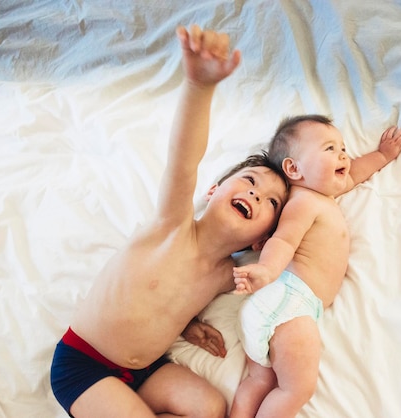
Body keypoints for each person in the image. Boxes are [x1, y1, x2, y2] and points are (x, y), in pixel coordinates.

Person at [50, 25, 289, 418]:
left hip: (144, 369)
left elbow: (170, 297)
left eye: (270, 203)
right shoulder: (173, 225)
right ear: (212, 191)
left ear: (263, 238)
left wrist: (187, 326)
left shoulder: (229, 274)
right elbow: (183, 160)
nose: (254, 195)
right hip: (84, 363)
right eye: (249, 182)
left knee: (210, 406)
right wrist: (200, 86)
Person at [230, 115, 401, 418]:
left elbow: (354, 175)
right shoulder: (302, 203)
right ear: (294, 168)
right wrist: (266, 270)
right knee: (296, 389)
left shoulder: (321, 194)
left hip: (278, 306)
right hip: (289, 303)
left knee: (259, 380)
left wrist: (382, 155)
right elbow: (283, 243)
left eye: (343, 148)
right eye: (330, 149)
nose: (343, 156)